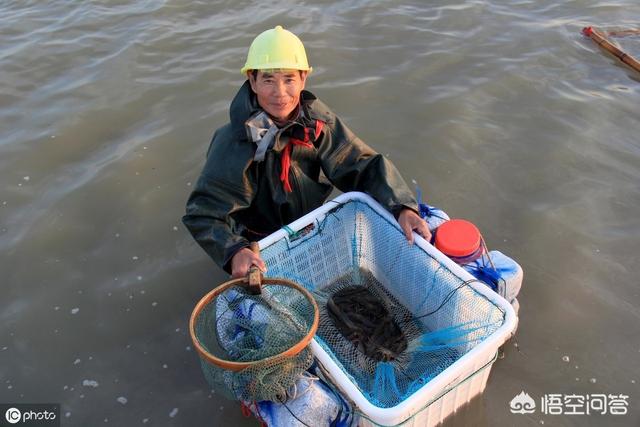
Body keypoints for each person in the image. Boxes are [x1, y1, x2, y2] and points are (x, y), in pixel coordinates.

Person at [183, 25, 430, 278]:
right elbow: (203, 214)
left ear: (303, 79)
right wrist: (234, 250)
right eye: (268, 80)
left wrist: (402, 207)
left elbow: (362, 165)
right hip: (260, 245)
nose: (280, 93)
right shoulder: (232, 143)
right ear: (252, 82)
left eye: (289, 79)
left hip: (311, 228)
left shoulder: (317, 123)